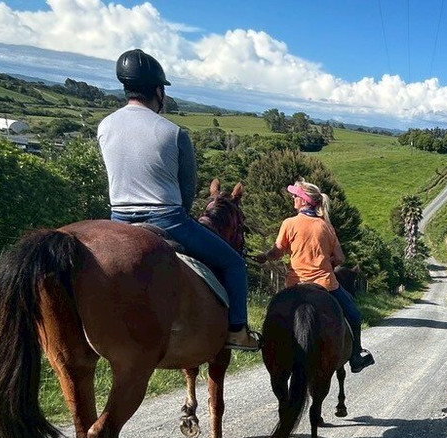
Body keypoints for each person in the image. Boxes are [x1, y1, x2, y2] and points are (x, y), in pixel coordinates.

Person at [96, 49, 259, 351]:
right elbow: (187, 191)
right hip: (167, 219)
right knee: (235, 264)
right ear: (159, 91)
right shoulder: (173, 133)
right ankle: (237, 331)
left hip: (117, 220)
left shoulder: (104, 126)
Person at [256, 181, 375, 372]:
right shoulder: (326, 227)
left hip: (296, 284)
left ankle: (265, 345)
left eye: (296, 196)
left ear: (304, 201)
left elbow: (277, 252)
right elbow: (340, 258)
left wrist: (265, 256)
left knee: (273, 311)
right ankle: (356, 356)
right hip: (325, 285)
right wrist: (327, 263)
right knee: (354, 314)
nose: (293, 198)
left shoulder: (289, 223)